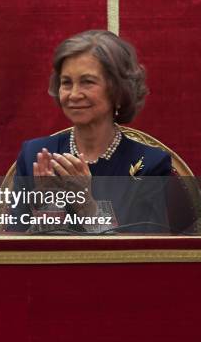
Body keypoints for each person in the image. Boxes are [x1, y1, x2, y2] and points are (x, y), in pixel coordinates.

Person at [11, 30, 171, 232]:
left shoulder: (150, 164)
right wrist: (49, 205)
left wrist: (87, 204)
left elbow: (147, 254)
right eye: (66, 83)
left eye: (87, 82)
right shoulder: (34, 155)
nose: (74, 94)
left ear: (118, 91)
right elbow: (14, 245)